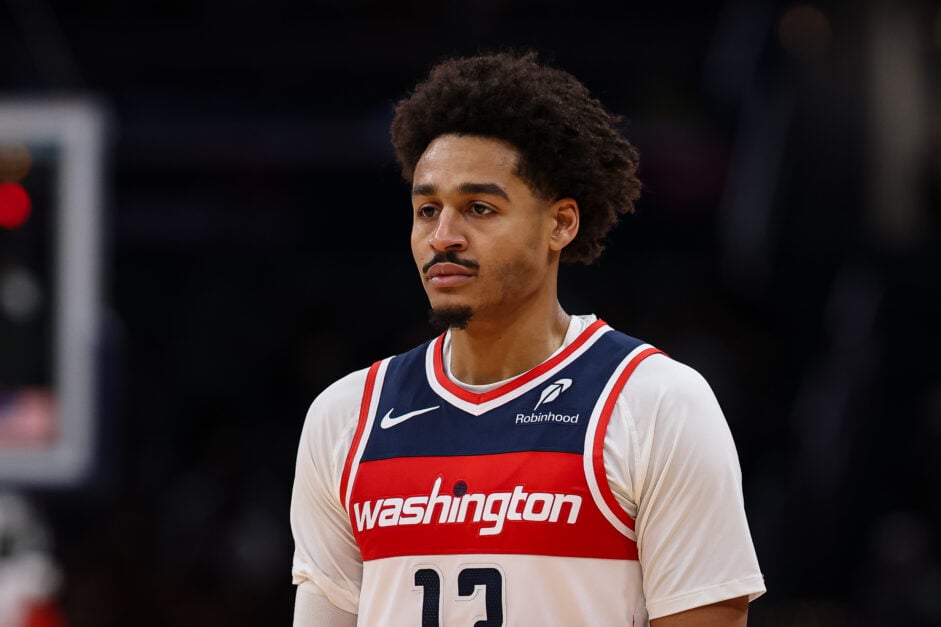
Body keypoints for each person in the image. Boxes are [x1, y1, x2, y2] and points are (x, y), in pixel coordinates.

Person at [290, 50, 765, 626]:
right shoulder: (345, 417)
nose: (443, 237)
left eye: (479, 208)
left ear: (561, 223)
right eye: (426, 209)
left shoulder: (656, 403)